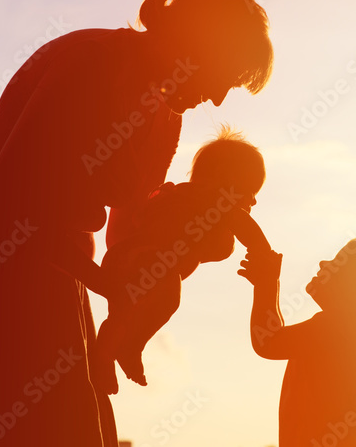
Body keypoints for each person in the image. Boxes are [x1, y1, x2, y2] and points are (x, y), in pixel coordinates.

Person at [0, 0, 273, 447]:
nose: (218, 97)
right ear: (200, 45)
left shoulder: (166, 111)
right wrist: (108, 283)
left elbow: (135, 213)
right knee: (3, 415)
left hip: (66, 267)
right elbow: (7, 199)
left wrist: (180, 237)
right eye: (223, 76)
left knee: (68, 415)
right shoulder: (92, 60)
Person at [95, 126, 271, 392]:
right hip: (144, 261)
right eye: (251, 191)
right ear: (227, 183)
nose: (254, 202)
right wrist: (263, 253)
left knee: (124, 313)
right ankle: (125, 349)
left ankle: (110, 353)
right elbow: (247, 227)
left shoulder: (191, 198)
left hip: (126, 260)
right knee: (166, 297)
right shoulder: (213, 200)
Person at [238, 238, 356, 447]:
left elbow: (269, 341)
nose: (323, 264)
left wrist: (266, 283)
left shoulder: (335, 329)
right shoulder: (349, 335)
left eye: (338, 262)